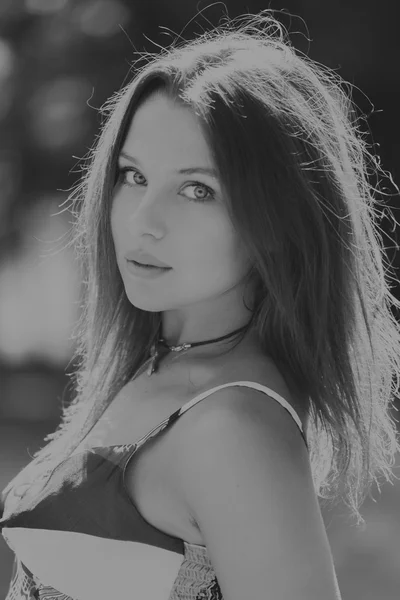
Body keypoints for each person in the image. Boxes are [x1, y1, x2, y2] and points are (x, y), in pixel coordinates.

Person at [1, 9, 400, 600]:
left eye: (197, 190)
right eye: (133, 176)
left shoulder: (233, 428)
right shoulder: (165, 361)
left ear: (278, 220)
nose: (143, 222)